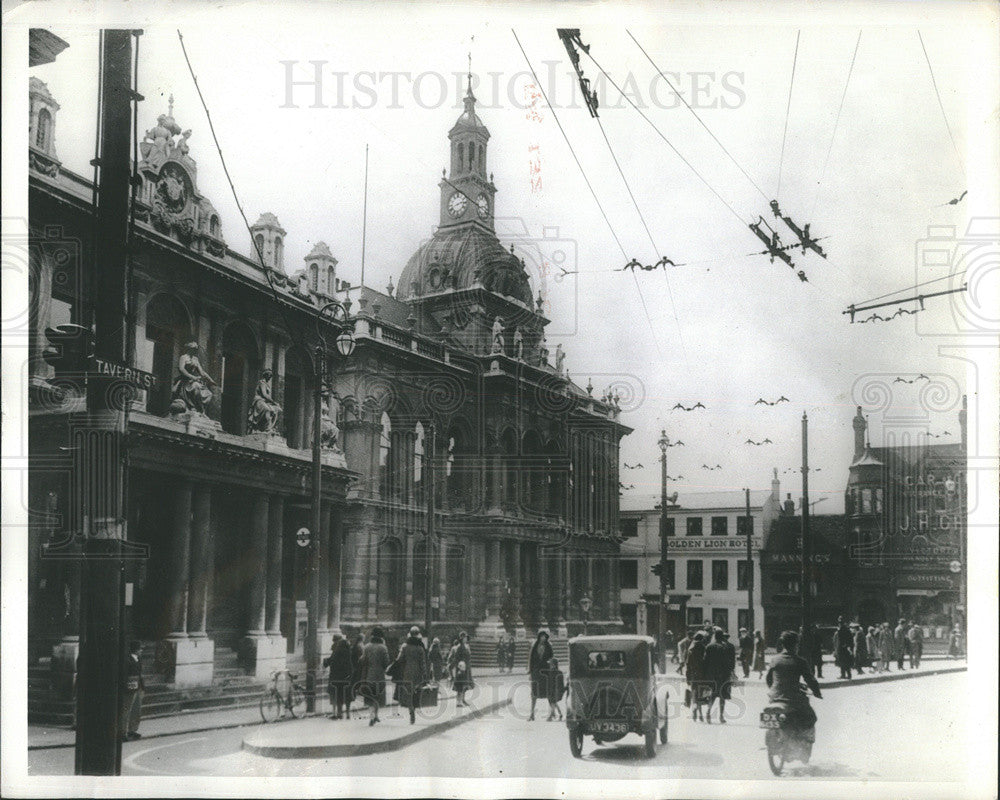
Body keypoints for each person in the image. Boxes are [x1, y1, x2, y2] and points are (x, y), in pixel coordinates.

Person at [766, 630, 822, 730]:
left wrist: (773, 690)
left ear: (783, 644)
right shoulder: (800, 661)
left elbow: (769, 679)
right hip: (792, 699)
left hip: (774, 697)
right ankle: (804, 739)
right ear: (796, 645)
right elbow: (810, 680)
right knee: (811, 717)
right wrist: (817, 692)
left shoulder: (775, 660)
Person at [398, 626, 430, 724]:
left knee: (408, 693)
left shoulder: (405, 646)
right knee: (416, 694)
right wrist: (425, 675)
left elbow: (399, 660)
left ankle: (411, 711)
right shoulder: (420, 647)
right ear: (418, 635)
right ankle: (414, 710)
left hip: (407, 672)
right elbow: (423, 663)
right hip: (418, 674)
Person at [704, 628, 736, 724]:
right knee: (722, 696)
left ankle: (708, 713)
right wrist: (731, 671)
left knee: (712, 695)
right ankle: (721, 716)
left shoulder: (709, 646)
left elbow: (705, 661)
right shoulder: (725, 647)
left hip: (712, 675)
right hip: (724, 675)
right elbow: (730, 663)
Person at [360, 627, 390, 726]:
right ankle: (376, 715)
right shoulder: (383, 647)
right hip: (380, 676)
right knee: (378, 697)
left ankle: (372, 715)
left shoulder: (367, 647)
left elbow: (363, 661)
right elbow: (386, 662)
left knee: (370, 697)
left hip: (369, 676)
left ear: (372, 636)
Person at [323, 633, 353, 720]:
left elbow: (331, 660)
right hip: (347, 676)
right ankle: (347, 713)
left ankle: (339, 714)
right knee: (347, 695)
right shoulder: (348, 651)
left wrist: (325, 662)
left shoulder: (337, 651)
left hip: (337, 677)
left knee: (338, 695)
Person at [527, 630, 554, 721]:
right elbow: (530, 659)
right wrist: (530, 672)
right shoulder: (534, 646)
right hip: (536, 673)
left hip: (546, 673)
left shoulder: (549, 647)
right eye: (541, 636)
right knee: (534, 694)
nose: (543, 638)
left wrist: (551, 667)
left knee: (549, 694)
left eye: (544, 636)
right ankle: (531, 714)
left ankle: (552, 714)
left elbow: (552, 659)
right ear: (539, 637)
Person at [120, 640, 144, 741]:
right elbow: (124, 675)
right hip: (129, 688)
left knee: (136, 709)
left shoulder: (138, 659)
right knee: (127, 709)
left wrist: (142, 687)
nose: (141, 650)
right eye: (140, 649)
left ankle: (132, 730)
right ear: (136, 650)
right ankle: (123, 732)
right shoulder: (128, 660)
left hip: (137, 687)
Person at [685, 631, 709, 722]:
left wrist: (687, 677)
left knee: (694, 694)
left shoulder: (691, 649)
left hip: (693, 675)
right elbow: (706, 662)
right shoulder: (704, 649)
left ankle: (694, 712)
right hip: (702, 675)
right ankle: (701, 714)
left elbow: (688, 664)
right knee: (700, 695)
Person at [450, 631, 473, 706]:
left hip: (467, 667)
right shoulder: (459, 647)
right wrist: (460, 666)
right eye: (464, 637)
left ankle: (463, 700)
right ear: (462, 638)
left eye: (466, 637)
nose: (466, 639)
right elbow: (456, 658)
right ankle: (458, 701)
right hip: (461, 668)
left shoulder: (466, 646)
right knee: (460, 684)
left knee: (465, 685)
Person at [544, 656, 567, 721]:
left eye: (550, 664)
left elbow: (551, 684)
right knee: (553, 702)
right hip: (559, 691)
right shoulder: (559, 672)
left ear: (553, 665)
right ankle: (559, 714)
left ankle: (551, 716)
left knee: (552, 702)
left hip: (554, 692)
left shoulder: (551, 673)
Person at [349, 633, 365, 714]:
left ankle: (354, 694)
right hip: (359, 666)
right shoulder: (360, 645)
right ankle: (355, 695)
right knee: (357, 681)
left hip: (356, 666)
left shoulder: (357, 645)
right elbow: (361, 656)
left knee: (356, 681)